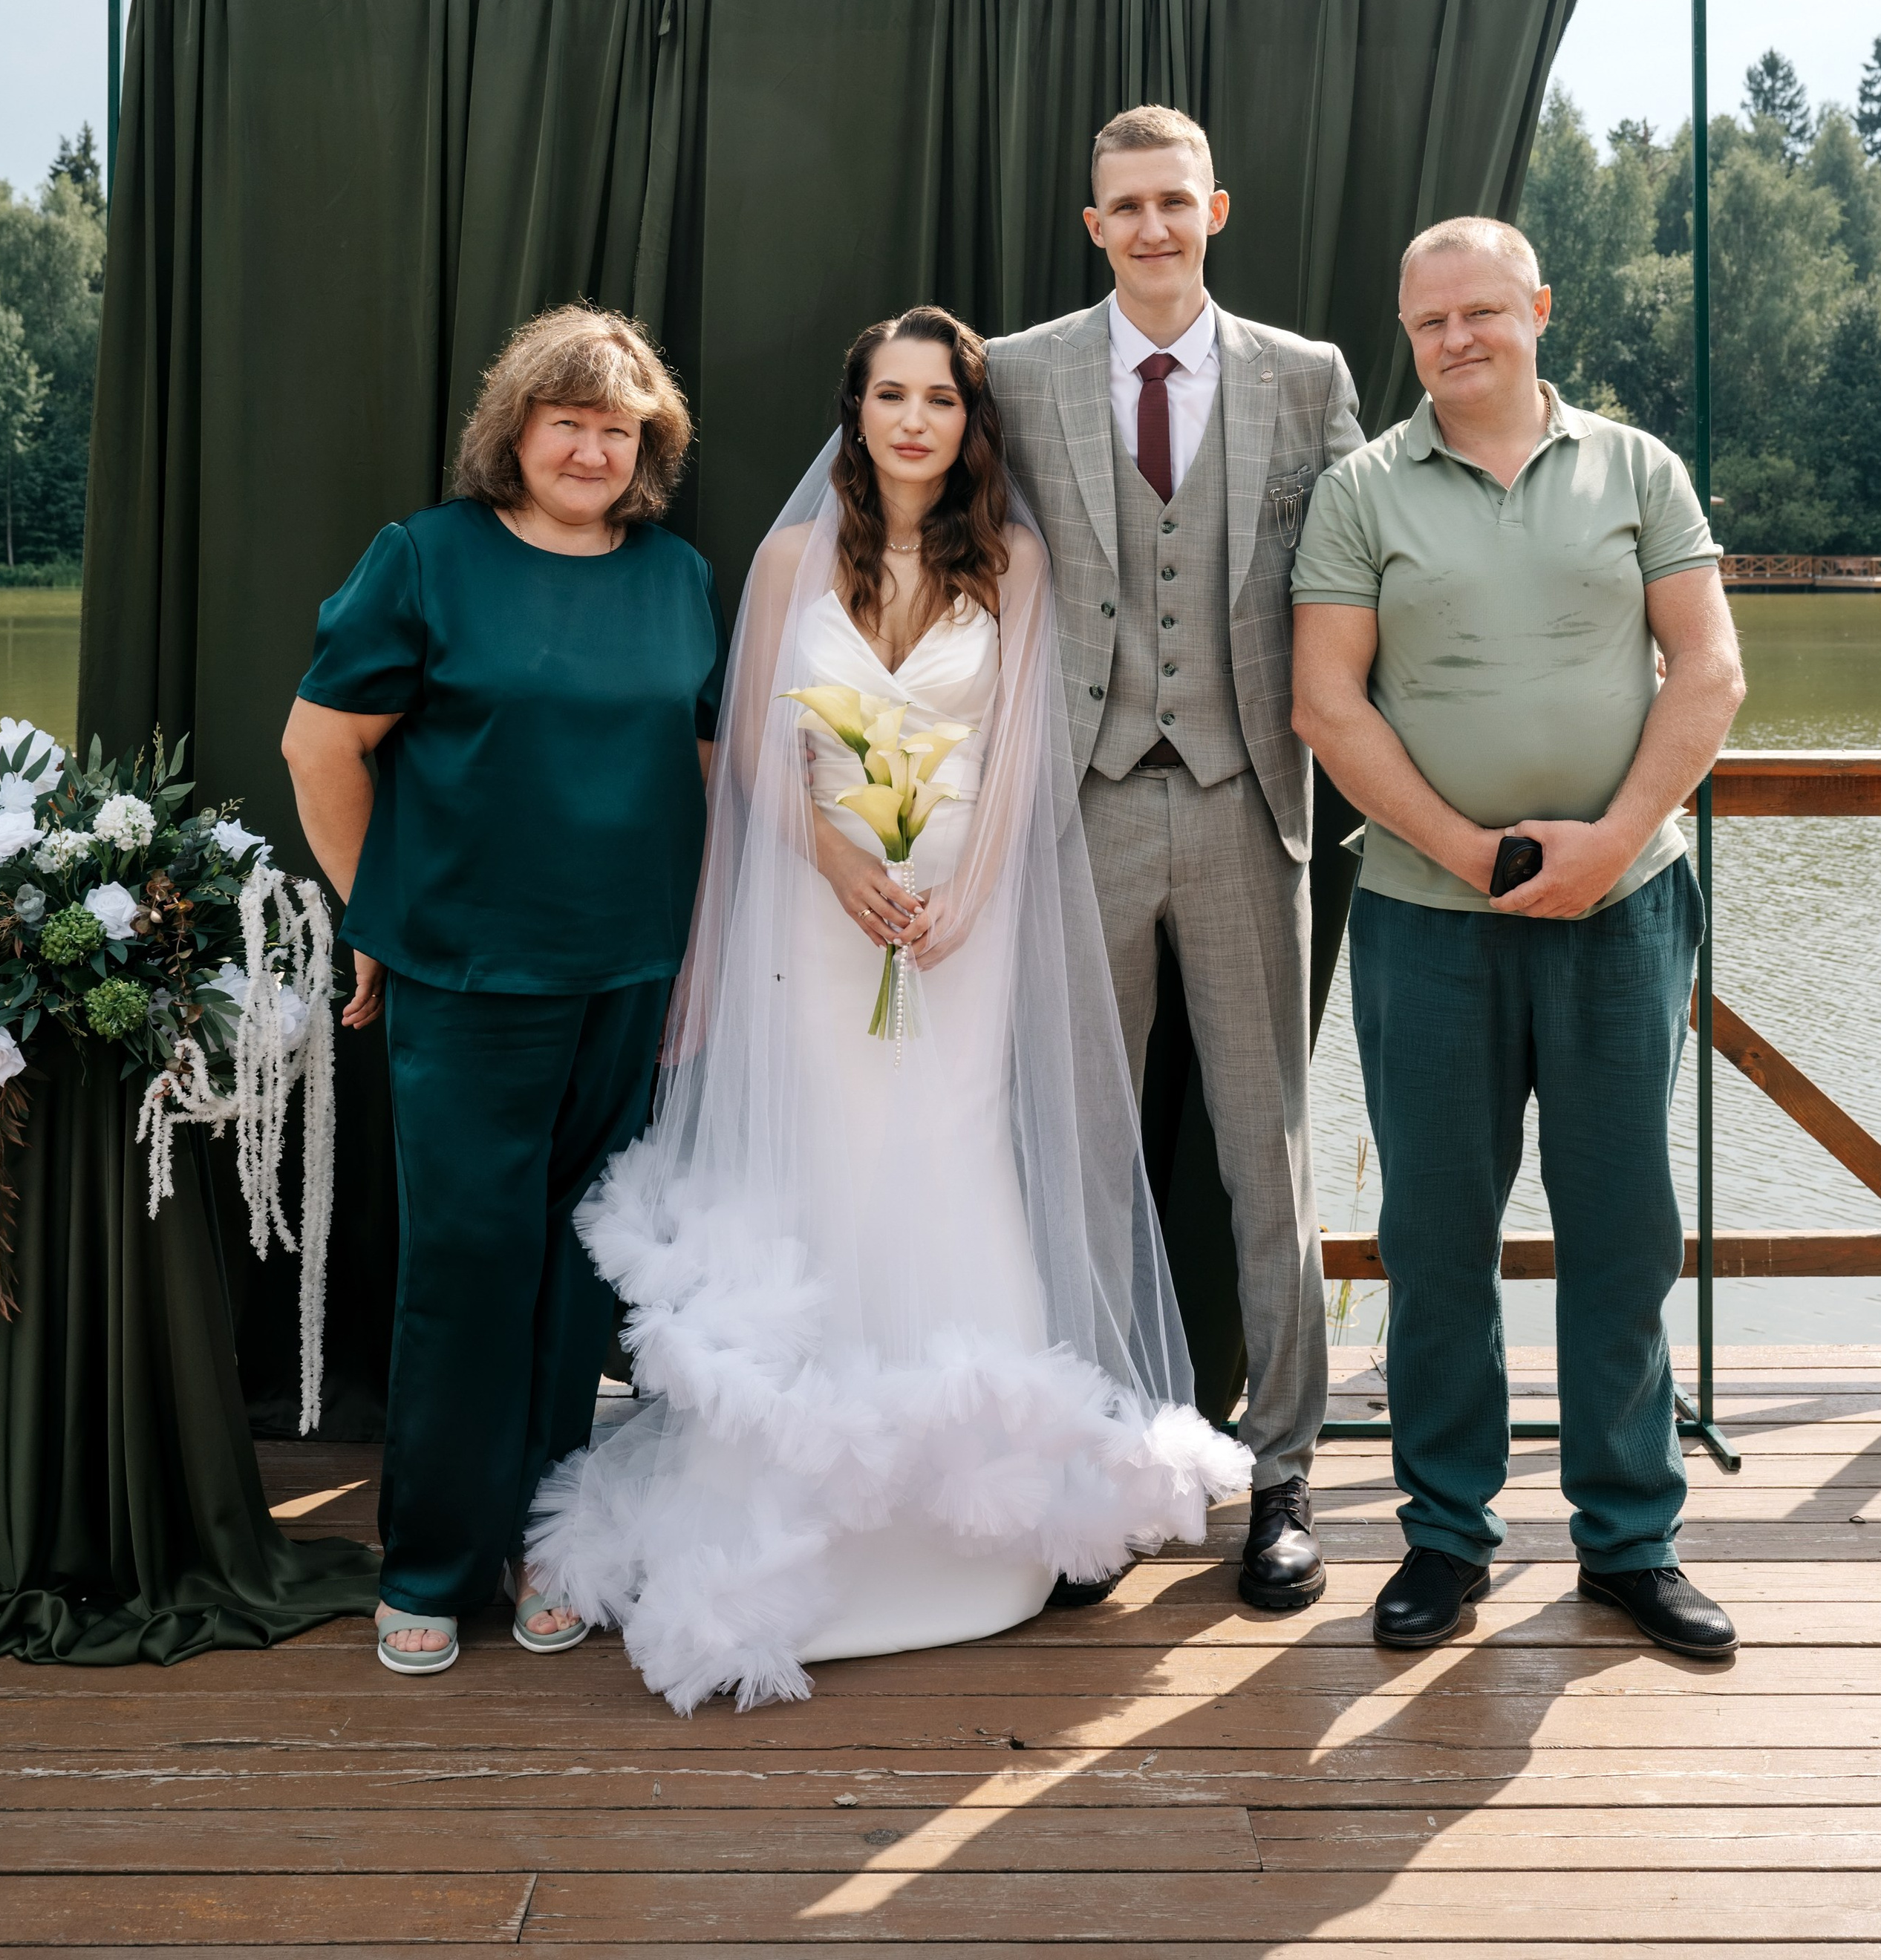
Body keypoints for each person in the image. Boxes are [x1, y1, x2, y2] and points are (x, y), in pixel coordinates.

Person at [527, 304, 1248, 1714]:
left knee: (951, 1163)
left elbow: (1028, 748)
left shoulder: (1015, 562)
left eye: (942, 400)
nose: (916, 421)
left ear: (972, 423)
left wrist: (968, 897)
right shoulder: (796, 557)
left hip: (962, 927)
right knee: (829, 1175)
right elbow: (754, 752)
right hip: (817, 908)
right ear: (855, 411)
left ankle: (960, 1534)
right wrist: (846, 868)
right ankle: (809, 1519)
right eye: (891, 396)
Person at [1291, 217, 1747, 1659]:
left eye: (1481, 310)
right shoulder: (1359, 490)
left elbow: (1709, 668)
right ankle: (1445, 1535)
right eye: (1428, 320)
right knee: (1434, 1239)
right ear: (1405, 331)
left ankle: (1626, 1541)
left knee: (1619, 1232)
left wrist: (1604, 844)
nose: (1454, 339)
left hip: (1622, 912)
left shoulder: (1634, 469)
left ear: (1538, 309)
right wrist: (1469, 849)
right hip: (1429, 919)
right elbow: (1327, 705)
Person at [281, 305, 727, 1676]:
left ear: (646, 446)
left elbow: (698, 767)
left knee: (578, 1279)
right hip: (470, 978)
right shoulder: (428, 559)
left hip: (630, 973)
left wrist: (697, 946)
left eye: (619, 426)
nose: (592, 447)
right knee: (468, 1272)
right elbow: (321, 747)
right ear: (515, 432)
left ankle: (554, 1542)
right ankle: (429, 1559)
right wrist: (382, 914)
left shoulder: (678, 576)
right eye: (566, 420)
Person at [984, 106, 1363, 1613]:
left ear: (1217, 205)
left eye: (1172, 201)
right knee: (1073, 1153)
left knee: (1261, 1154)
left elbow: (1357, 569)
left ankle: (1280, 1476)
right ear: (1092, 224)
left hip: (1239, 798)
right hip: (1070, 804)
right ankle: (1090, 1472)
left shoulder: (1304, 374)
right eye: (1123, 205)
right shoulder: (1015, 372)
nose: (1151, 225)